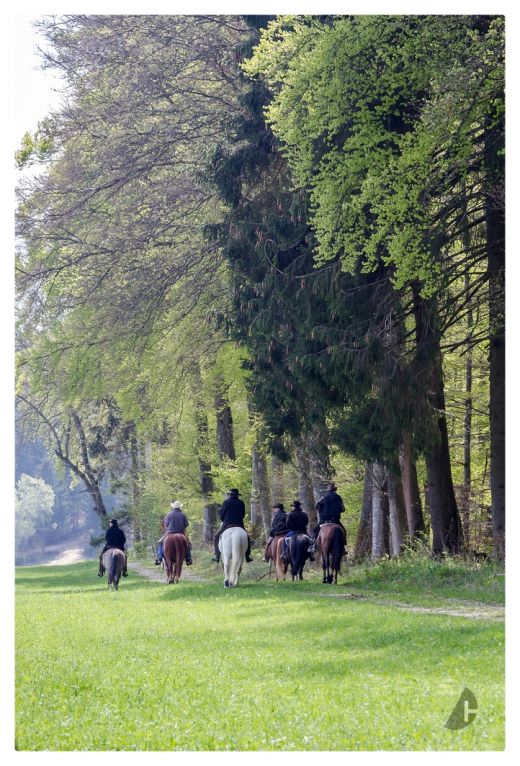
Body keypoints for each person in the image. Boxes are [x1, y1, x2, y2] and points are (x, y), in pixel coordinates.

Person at [212, 488, 253, 563]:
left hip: (227, 524)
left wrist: (224, 518)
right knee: (247, 538)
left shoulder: (226, 502)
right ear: (237, 495)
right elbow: (243, 515)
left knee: (216, 537)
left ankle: (216, 555)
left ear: (230, 495)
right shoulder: (241, 503)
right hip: (239, 524)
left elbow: (221, 516)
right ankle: (248, 556)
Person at [308, 482, 348, 555]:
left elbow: (316, 506)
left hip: (324, 520)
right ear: (334, 489)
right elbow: (343, 509)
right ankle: (343, 548)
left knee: (315, 531)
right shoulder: (338, 497)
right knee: (344, 531)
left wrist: (321, 509)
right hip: (335, 520)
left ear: (328, 489)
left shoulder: (323, 497)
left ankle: (312, 546)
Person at [154, 501, 193, 565]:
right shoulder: (183, 515)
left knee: (160, 543)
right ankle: (188, 559)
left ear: (173, 507)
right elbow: (186, 525)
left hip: (170, 533)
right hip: (181, 533)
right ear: (180, 507)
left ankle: (159, 558)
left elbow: (166, 524)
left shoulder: (169, 514)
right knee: (188, 543)